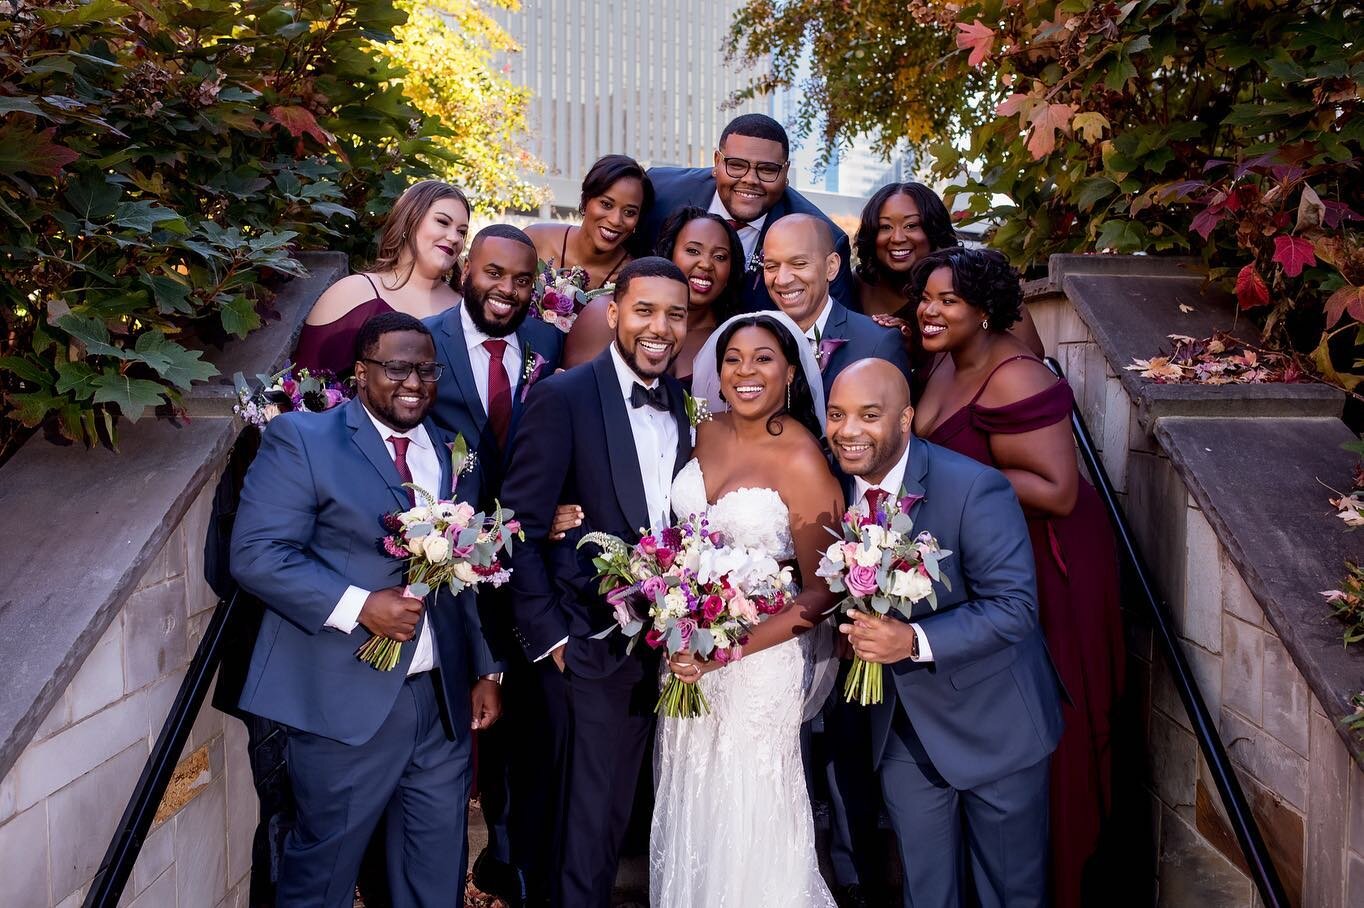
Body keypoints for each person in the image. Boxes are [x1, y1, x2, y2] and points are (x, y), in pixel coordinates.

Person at [230, 311, 504, 907]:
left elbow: (464, 570)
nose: (415, 382)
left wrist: (485, 667)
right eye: (398, 367)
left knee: (434, 878)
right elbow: (256, 554)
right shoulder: (304, 438)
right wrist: (359, 606)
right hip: (341, 699)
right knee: (322, 875)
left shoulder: (452, 451)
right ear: (360, 373)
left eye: (427, 370)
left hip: (440, 702)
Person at [909, 246, 1124, 908]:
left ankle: (1053, 881)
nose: (930, 310)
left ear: (985, 311)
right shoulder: (946, 359)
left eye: (949, 300)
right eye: (926, 297)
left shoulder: (1014, 376)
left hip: (1049, 560)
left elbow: (1058, 489)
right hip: (992, 552)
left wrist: (945, 490)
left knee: (1040, 716)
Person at [828, 359, 1063, 908]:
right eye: (837, 415)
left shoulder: (974, 487)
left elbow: (1014, 607)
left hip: (995, 724)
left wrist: (912, 642)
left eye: (868, 415)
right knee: (926, 893)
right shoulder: (831, 486)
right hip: (903, 732)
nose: (848, 430)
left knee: (1011, 895)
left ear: (906, 418)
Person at [499, 258, 693, 908]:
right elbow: (518, 527)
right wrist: (551, 637)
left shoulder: (689, 407)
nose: (659, 327)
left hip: (662, 655)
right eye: (644, 310)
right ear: (614, 313)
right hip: (585, 648)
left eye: (674, 314)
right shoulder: (564, 396)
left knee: (611, 826)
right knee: (576, 841)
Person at [654, 311, 844, 907]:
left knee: (749, 805)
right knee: (693, 796)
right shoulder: (700, 432)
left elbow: (824, 591)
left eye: (763, 359)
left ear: (790, 370)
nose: (745, 371)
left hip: (758, 665)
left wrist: (729, 648)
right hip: (687, 654)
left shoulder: (803, 459)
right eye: (733, 359)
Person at [424, 224, 564, 908]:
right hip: (444, 565)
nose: (506, 290)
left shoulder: (549, 346)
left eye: (521, 279)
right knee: (454, 726)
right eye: (494, 273)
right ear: (466, 271)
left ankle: (508, 865)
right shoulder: (422, 341)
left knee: (526, 726)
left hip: (528, 564)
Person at [640, 114, 856, 313]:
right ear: (717, 162)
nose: (750, 180)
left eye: (767, 169)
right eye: (736, 165)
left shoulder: (824, 238)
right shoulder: (659, 192)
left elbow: (837, 326)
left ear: (785, 172)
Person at [854, 182, 1044, 364]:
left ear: (933, 229)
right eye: (885, 227)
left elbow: (1032, 356)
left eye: (911, 225)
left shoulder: (978, 275)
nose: (897, 238)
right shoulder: (854, 284)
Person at [295, 181, 471, 375]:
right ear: (409, 221)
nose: (454, 238)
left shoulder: (467, 308)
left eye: (461, 231)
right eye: (443, 222)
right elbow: (306, 390)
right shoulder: (355, 293)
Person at [561, 207, 744, 382]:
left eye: (720, 257)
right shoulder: (604, 314)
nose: (706, 264)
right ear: (669, 254)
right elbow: (573, 399)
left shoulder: (733, 340)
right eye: (693, 251)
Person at [762, 213, 909, 392]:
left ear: (831, 266)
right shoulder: (755, 339)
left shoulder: (877, 343)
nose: (782, 280)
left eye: (799, 264)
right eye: (771, 266)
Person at [525, 154, 653, 290]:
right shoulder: (536, 242)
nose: (615, 220)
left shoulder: (633, 280)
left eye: (629, 212)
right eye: (606, 204)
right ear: (585, 200)